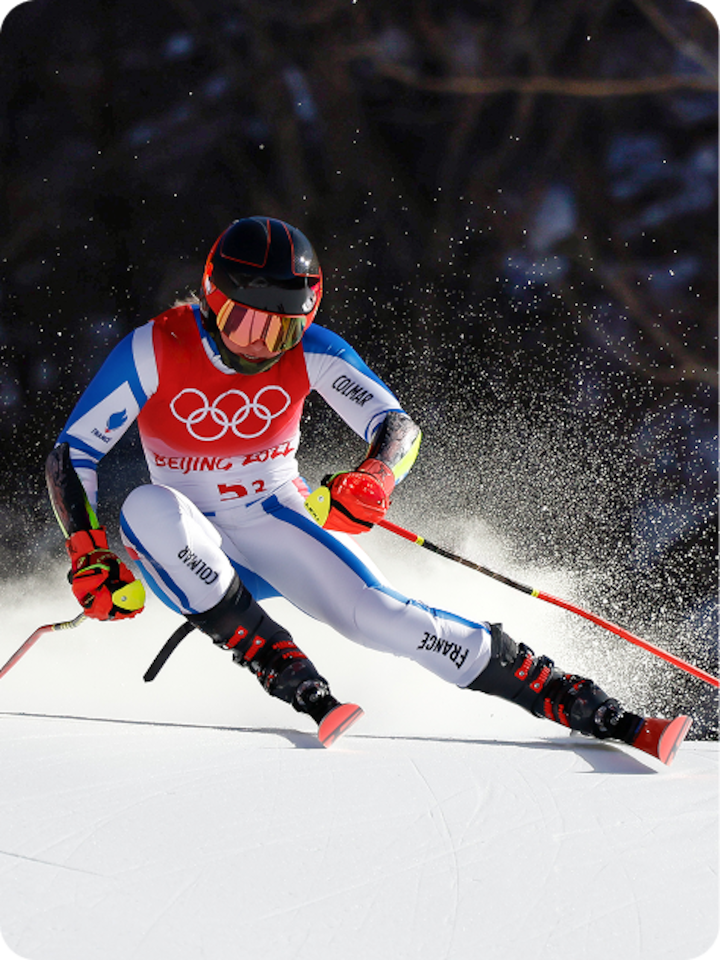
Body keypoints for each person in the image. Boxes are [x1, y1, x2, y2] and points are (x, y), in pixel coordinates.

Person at [45, 216, 685, 754]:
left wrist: (374, 477)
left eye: (281, 328)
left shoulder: (313, 351)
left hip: (272, 516)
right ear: (212, 297)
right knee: (145, 505)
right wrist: (87, 547)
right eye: (244, 323)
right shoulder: (155, 347)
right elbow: (73, 453)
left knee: (379, 617)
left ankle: (583, 704)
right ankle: (280, 664)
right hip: (183, 537)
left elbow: (396, 426)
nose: (261, 345)